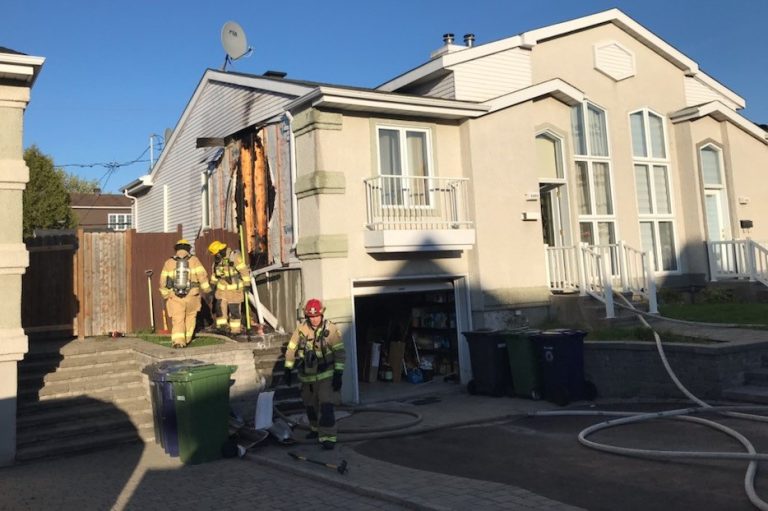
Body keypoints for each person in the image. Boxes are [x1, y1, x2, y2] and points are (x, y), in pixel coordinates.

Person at [283, 298, 346, 449]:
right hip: (307, 377)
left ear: (322, 314)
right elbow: (291, 349)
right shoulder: (301, 330)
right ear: (307, 316)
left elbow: (340, 353)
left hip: (326, 375)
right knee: (310, 406)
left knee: (325, 406)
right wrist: (287, 368)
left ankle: (328, 437)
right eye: (311, 316)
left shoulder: (331, 330)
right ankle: (315, 430)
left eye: (317, 315)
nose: (314, 319)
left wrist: (338, 373)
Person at [159, 239, 211, 348]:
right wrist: (207, 290)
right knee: (190, 317)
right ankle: (187, 339)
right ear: (188, 249)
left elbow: (162, 281)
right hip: (192, 295)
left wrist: (166, 294)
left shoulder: (169, 262)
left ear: (176, 249)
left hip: (175, 296)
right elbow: (202, 275)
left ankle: (178, 341)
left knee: (178, 319)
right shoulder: (194, 260)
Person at [208, 240, 251, 335]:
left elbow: (244, 271)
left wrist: (247, 284)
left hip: (234, 290)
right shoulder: (217, 260)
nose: (216, 256)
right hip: (221, 291)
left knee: (234, 310)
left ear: (221, 251)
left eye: (217, 254)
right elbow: (215, 274)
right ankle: (222, 328)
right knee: (219, 309)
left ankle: (235, 330)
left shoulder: (234, 257)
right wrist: (212, 285)